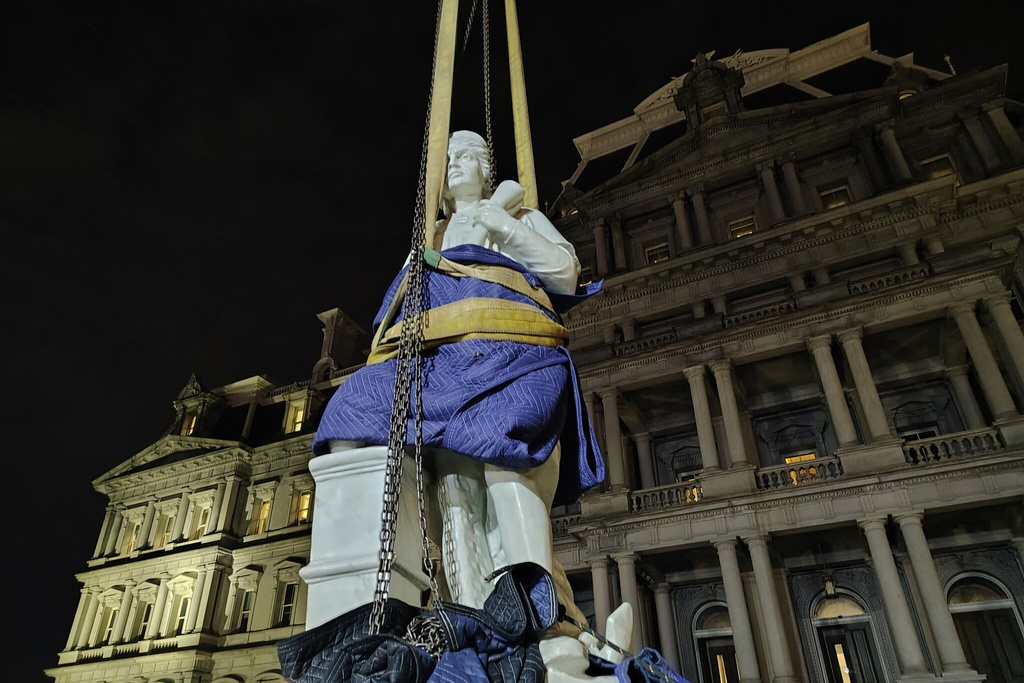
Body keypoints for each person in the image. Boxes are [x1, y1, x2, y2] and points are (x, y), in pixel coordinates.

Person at [313, 130, 603, 614]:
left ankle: (532, 607)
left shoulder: (520, 215)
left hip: (512, 353)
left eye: (467, 155)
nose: (454, 163)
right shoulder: (432, 237)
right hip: (437, 362)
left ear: (487, 170)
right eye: (447, 159)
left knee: (504, 434)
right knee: (348, 411)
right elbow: (394, 312)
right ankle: (360, 602)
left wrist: (503, 226)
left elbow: (564, 274)